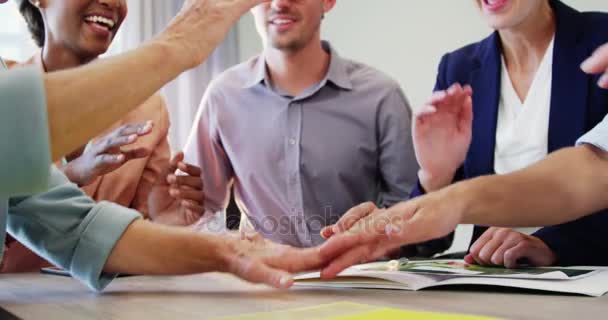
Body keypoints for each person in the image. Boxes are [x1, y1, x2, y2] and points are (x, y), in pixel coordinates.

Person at [0, 0, 333, 292]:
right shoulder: (11, 84)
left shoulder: (149, 111)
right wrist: (178, 44)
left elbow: (79, 227)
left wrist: (225, 250)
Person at [329, 0, 608, 265]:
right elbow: (437, 232)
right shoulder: (458, 67)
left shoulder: (601, 40)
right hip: (491, 281)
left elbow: (594, 177)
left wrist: (553, 244)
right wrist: (428, 186)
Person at [183, 0, 418, 247]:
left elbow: (415, 215)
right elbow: (196, 213)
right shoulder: (223, 96)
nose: (280, 2)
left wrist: (371, 238)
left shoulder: (381, 97)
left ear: (327, 2)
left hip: (357, 280)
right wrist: (233, 247)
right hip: (260, 280)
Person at [1, 0, 206, 273]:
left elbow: (143, 237)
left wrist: (165, 219)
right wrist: (71, 175)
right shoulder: (7, 92)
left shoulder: (147, 108)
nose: (112, 2)